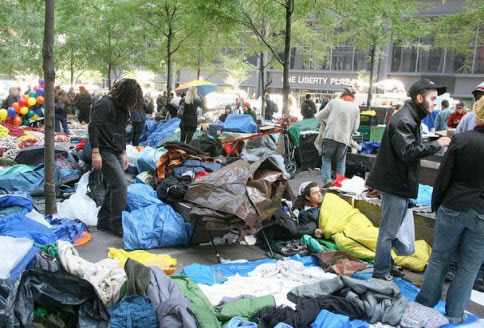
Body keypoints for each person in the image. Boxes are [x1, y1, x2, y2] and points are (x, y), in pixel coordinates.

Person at [367, 79, 451, 281]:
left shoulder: (410, 118)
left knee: (393, 230)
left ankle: (387, 265)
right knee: (388, 232)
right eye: (432, 98)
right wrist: (437, 144)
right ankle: (380, 272)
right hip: (395, 184)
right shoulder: (404, 120)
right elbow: (407, 151)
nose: (434, 103)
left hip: (399, 183)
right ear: (419, 98)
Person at [416, 96, 484, 324]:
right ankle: (455, 314)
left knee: (440, 258)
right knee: (469, 267)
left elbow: (443, 176)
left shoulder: (462, 140)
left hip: (453, 205)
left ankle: (425, 304)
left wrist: (436, 204)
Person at [89, 78, 143, 236]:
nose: (134, 103)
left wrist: (124, 151)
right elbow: (94, 127)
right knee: (120, 185)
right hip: (103, 149)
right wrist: (95, 151)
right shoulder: (105, 104)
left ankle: (104, 221)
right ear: (126, 95)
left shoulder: (123, 108)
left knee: (114, 186)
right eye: (133, 99)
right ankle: (116, 223)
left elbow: (120, 132)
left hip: (115, 150)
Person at [315, 88, 360, 185]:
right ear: (352, 98)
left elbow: (319, 116)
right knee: (341, 161)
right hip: (344, 139)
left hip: (330, 136)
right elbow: (356, 128)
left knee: (326, 158)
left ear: (342, 96)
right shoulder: (355, 108)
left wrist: (327, 121)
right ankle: (339, 183)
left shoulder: (334, 102)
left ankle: (327, 181)